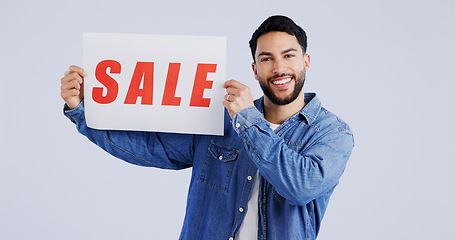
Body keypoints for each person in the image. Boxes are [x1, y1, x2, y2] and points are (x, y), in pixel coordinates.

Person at [61, 15, 354, 240]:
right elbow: (151, 148)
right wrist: (84, 109)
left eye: (288, 55)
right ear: (255, 69)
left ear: (306, 61)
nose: (278, 68)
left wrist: (248, 120)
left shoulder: (332, 134)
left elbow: (300, 187)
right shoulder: (220, 119)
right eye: (266, 59)